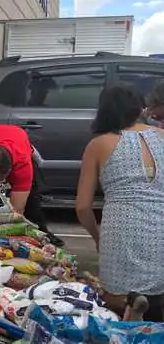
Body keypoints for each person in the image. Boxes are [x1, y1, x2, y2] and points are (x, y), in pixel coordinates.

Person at [75, 85, 164, 321]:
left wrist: (97, 237)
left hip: (120, 232)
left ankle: (131, 309)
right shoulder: (162, 136)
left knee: (116, 299)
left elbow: (83, 207)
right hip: (159, 230)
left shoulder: (98, 145)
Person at [0, 124, 64, 247]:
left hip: (18, 142)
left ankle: (43, 233)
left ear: (10, 170)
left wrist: (8, 236)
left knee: (31, 203)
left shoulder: (22, 165)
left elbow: (17, 211)